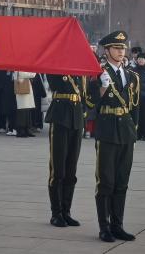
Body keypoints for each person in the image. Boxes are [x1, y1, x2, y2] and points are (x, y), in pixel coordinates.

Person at [88, 30, 140, 243]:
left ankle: (118, 225)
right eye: (116, 48)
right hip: (107, 131)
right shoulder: (99, 73)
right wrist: (102, 87)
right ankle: (104, 227)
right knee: (106, 182)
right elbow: (90, 103)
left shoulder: (132, 76)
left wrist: (134, 132)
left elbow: (135, 108)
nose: (121, 52)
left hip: (126, 132)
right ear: (107, 50)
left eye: (123, 48)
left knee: (122, 182)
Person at [45, 73, 86, 227]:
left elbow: (86, 93)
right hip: (60, 116)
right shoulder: (56, 65)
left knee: (71, 169)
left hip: (77, 117)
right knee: (58, 169)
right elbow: (54, 84)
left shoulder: (80, 68)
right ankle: (56, 213)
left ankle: (66, 212)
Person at [131, 53, 145, 141]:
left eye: (142, 59)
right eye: (139, 59)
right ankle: (137, 134)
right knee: (136, 116)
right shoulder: (133, 70)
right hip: (135, 98)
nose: (140, 60)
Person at [13, 71, 36, 138]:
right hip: (21, 89)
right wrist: (33, 72)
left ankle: (27, 129)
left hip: (26, 88)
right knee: (22, 111)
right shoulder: (18, 67)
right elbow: (23, 74)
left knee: (27, 111)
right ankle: (21, 131)